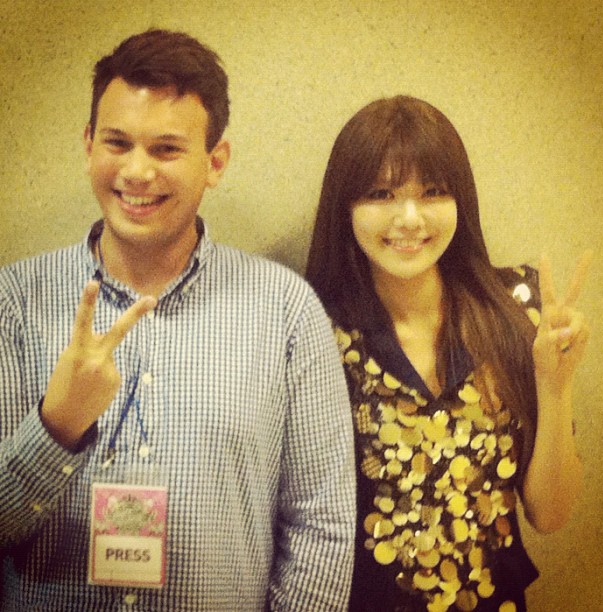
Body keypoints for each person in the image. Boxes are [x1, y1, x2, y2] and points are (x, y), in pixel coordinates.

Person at [0, 29, 356, 611]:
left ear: (215, 162)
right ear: (88, 145)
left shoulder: (285, 311)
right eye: (117, 142)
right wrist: (56, 426)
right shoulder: (14, 302)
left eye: (166, 149)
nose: (137, 172)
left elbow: (321, 525)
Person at [306, 95, 591, 612]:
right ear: (345, 207)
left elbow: (549, 515)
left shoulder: (516, 311)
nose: (409, 218)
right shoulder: (315, 332)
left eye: (433, 191)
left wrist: (556, 383)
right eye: (381, 193)